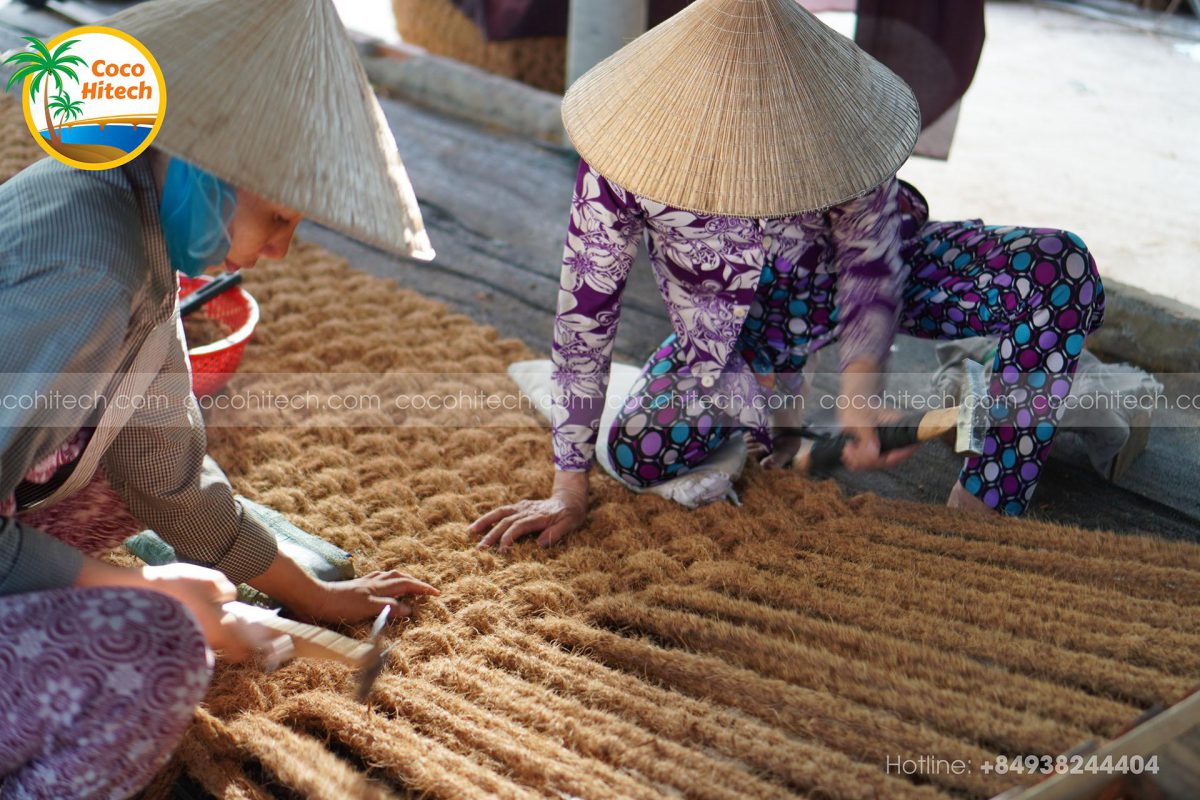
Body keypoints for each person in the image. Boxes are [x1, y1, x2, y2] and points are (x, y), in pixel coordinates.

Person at [0, 0, 438, 796]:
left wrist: (314, 595)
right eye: (277, 216)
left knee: (124, 488)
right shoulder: (92, 278)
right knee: (162, 645)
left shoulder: (124, 212)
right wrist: (146, 592)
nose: (280, 248)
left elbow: (164, 467)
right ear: (204, 169)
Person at [472, 0, 1104, 550]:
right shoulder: (624, 149)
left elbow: (870, 267)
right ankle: (806, 409)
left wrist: (860, 397)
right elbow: (586, 312)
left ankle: (985, 506)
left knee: (1059, 270)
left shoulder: (836, 117)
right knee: (641, 449)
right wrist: (568, 488)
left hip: (855, 280)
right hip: (739, 334)